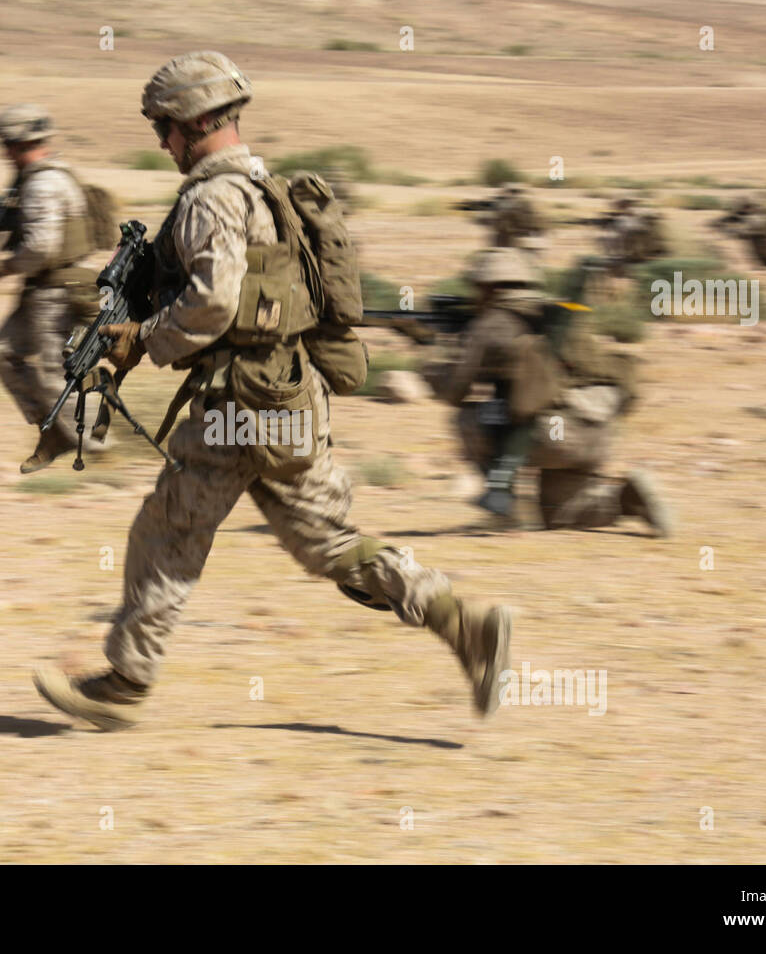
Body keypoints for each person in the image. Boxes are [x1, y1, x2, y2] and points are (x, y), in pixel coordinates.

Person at [31, 51, 512, 732]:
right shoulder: (263, 185)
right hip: (288, 397)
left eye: (164, 127)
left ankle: (124, 685)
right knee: (328, 544)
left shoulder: (211, 199)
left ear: (194, 122)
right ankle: (464, 622)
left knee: (167, 533)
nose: (161, 141)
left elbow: (213, 304)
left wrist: (142, 340)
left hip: (239, 407)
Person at [434, 246, 673, 535]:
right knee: (561, 512)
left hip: (546, 433)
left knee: (467, 418)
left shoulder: (490, 324)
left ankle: (507, 506)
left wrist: (435, 360)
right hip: (595, 432)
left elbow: (453, 392)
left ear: (487, 286)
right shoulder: (561, 313)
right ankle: (628, 498)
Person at [0, 104, 109, 473]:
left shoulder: (43, 183)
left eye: (6, 145)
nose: (4, 153)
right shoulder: (41, 177)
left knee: (49, 373)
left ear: (17, 144)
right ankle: (54, 430)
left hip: (56, 290)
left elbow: (41, 248)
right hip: (45, 286)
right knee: (3, 352)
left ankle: (95, 449)